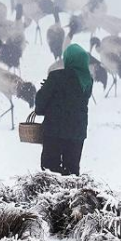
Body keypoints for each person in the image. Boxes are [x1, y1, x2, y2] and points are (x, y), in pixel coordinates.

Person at [34, 43, 92, 175]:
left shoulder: (56, 76)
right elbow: (73, 98)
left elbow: (41, 102)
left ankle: (51, 196)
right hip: (77, 133)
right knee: (71, 172)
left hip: (55, 131)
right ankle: (71, 195)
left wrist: (46, 89)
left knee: (50, 171)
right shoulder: (88, 80)